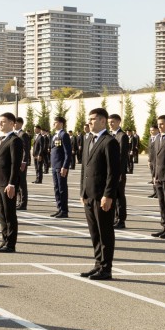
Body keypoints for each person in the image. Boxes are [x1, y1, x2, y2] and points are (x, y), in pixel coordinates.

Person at [78, 108, 122, 279]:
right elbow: (84, 168)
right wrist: (82, 191)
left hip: (102, 195)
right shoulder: (89, 139)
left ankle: (106, 268)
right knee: (94, 233)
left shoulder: (109, 142)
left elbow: (114, 172)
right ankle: (98, 264)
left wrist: (108, 195)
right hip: (89, 194)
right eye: (89, 119)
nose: (90, 121)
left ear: (103, 121)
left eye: (93, 119)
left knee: (105, 233)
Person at [0, 112, 24, 252]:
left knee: (9, 213)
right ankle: (4, 239)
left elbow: (15, 164)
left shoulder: (15, 140)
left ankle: (11, 243)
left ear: (12, 123)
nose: (0, 124)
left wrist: (12, 183)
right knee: (2, 213)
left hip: (8, 183)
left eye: (3, 122)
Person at [106, 114, 129, 229]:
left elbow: (123, 156)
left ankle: (121, 219)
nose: (110, 124)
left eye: (113, 122)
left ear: (119, 122)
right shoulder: (110, 135)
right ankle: (115, 218)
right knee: (113, 195)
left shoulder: (122, 136)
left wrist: (120, 172)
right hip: (110, 172)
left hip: (118, 172)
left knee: (120, 196)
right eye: (109, 122)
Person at [50, 117, 72, 219]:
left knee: (62, 189)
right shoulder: (55, 135)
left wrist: (65, 166)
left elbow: (68, 153)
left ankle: (64, 210)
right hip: (54, 166)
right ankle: (59, 208)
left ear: (61, 123)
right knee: (56, 188)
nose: (53, 124)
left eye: (55, 123)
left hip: (60, 166)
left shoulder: (64, 135)